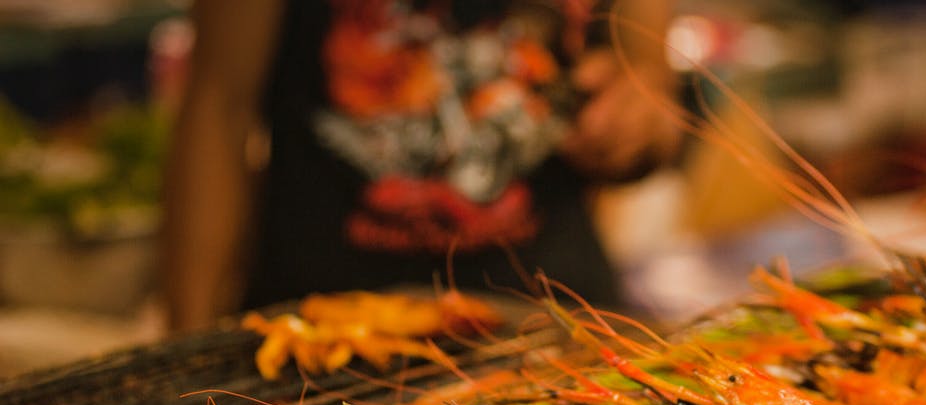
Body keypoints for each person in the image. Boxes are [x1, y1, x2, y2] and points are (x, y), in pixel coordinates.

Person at [162, 0, 683, 332]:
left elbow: (653, 85)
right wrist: (186, 345)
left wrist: (636, 122)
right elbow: (218, 108)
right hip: (327, 326)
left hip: (553, 314)